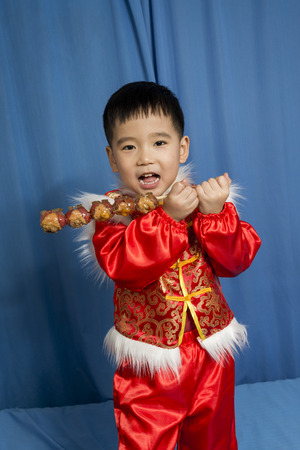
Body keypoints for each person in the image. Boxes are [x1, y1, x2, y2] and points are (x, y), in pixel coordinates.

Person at [78, 81, 261, 449]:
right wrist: (169, 220)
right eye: (129, 147)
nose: (145, 157)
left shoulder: (203, 200)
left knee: (215, 439)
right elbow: (123, 265)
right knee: (145, 441)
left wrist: (214, 215)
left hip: (210, 354)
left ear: (182, 148)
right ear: (113, 158)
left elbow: (236, 260)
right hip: (149, 365)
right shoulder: (111, 214)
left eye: (159, 143)